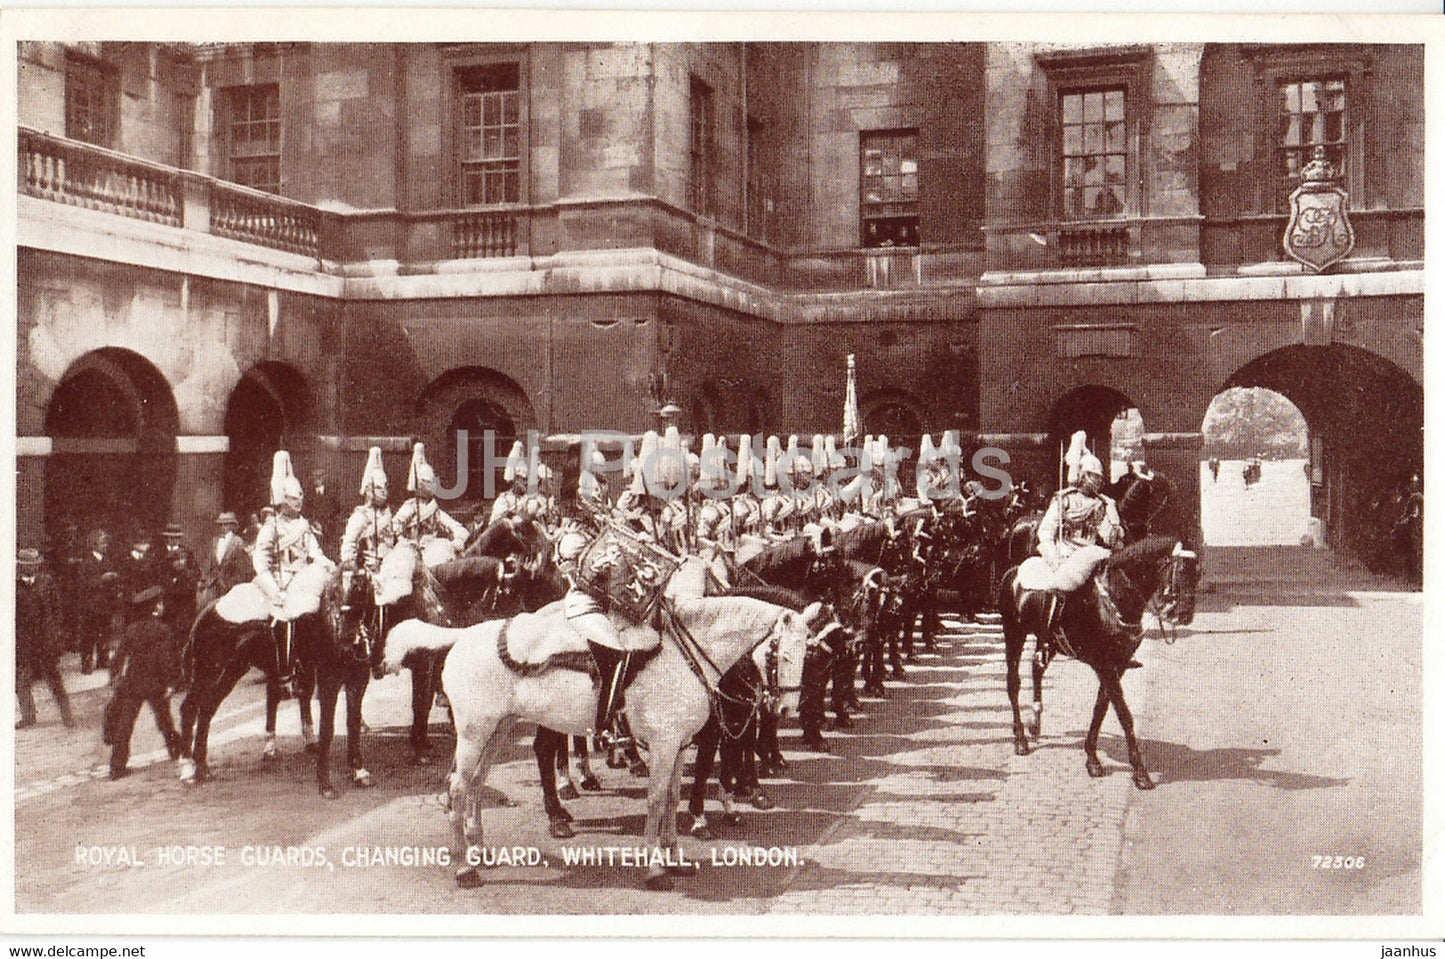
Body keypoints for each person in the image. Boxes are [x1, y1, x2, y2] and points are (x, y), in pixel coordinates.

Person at [556, 527, 662, 749]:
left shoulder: (601, 532)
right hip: (585, 606)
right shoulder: (572, 539)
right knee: (616, 655)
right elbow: (585, 571)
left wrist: (644, 544)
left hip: (608, 607)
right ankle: (605, 727)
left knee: (652, 640)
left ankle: (631, 711)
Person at [1037, 431, 1124, 659]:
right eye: (1094, 476)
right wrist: (1052, 556)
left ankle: (1117, 640)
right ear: (1083, 476)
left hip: (1092, 555)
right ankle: (1045, 641)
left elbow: (1109, 538)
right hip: (1066, 555)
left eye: (1100, 478)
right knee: (1056, 592)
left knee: (1114, 589)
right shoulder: (1064, 499)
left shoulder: (1101, 504)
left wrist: (1113, 519)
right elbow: (1045, 531)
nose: (1098, 481)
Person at [252, 451, 331, 686]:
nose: (299, 502)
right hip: (281, 582)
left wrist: (330, 566)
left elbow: (315, 553)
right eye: (294, 499)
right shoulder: (271, 528)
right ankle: (284, 670)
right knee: (284, 621)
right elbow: (260, 562)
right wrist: (274, 589)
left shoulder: (303, 526)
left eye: (300, 498)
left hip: (305, 580)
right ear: (283, 499)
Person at [103, 586, 183, 779]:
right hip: (156, 685)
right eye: (159, 604)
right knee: (165, 721)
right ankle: (177, 751)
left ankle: (117, 767)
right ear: (155, 608)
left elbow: (118, 658)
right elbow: (166, 660)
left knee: (125, 725)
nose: (162, 606)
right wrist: (171, 683)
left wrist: (114, 678)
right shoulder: (162, 630)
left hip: (133, 683)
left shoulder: (131, 630)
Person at [16, 548, 74, 729]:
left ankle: (67, 715)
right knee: (22, 681)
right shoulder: (14, 586)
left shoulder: (46, 582)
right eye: (27, 564)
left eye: (35, 564)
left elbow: (57, 609)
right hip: (25, 642)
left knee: (54, 679)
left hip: (46, 640)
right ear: (20, 566)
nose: (32, 567)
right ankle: (28, 716)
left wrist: (54, 632)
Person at [392, 443, 469, 565]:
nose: (432, 486)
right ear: (420, 484)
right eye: (429, 483)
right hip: (411, 552)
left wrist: (459, 538)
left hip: (432, 549)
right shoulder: (410, 507)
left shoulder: (434, 509)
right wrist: (404, 541)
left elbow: (451, 524)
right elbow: (395, 525)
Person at [339, 446, 398, 595]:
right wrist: (351, 565)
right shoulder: (360, 516)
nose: (383, 492)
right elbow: (349, 545)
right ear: (369, 490)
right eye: (379, 488)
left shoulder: (388, 514)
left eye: (385, 487)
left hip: (391, 565)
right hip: (369, 569)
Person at [78, 528, 122, 674]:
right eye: (102, 542)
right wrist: (101, 579)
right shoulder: (86, 562)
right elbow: (83, 584)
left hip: (105, 604)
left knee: (105, 633)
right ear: (93, 544)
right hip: (91, 605)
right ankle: (87, 662)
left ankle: (102, 659)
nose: (105, 545)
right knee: (89, 635)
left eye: (106, 542)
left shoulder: (107, 561)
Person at [198, 511, 252, 606]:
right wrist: (205, 579)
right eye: (221, 524)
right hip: (214, 585)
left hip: (230, 586)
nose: (223, 527)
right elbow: (209, 562)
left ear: (232, 526)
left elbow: (243, 567)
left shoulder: (237, 542)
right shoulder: (215, 541)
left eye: (226, 524)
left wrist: (232, 583)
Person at [159, 521, 199, 636]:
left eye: (176, 537)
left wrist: (184, 571)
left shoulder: (188, 553)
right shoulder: (159, 554)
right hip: (166, 600)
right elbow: (155, 575)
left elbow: (196, 573)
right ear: (166, 538)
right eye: (170, 537)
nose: (173, 540)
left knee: (182, 633)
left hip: (184, 601)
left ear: (180, 538)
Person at [307, 467, 342, 546]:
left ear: (325, 476)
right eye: (315, 476)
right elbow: (306, 512)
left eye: (320, 475)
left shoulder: (333, 491)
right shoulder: (308, 493)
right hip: (314, 531)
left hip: (331, 531)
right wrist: (314, 522)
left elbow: (337, 510)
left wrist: (326, 525)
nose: (318, 479)